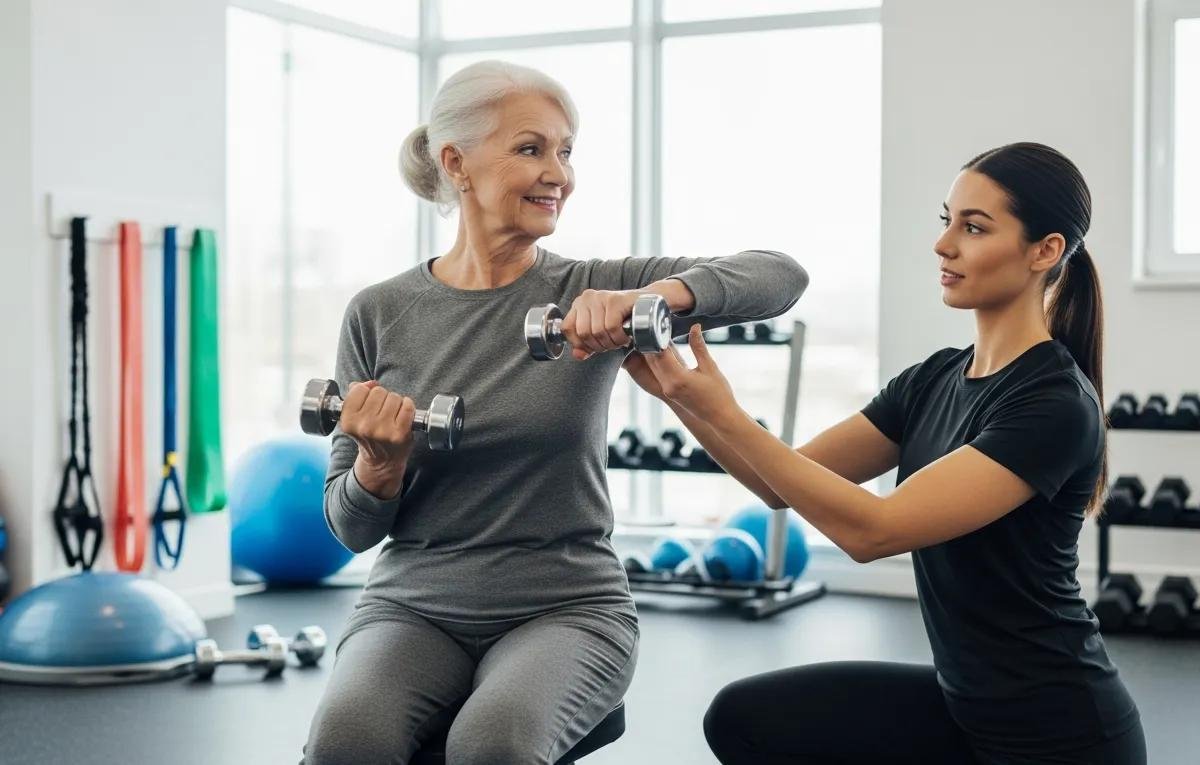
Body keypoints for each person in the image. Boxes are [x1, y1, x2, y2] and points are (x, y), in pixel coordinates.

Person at [302, 60, 808, 764]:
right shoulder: (378, 313)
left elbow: (780, 275)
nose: (559, 174)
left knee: (493, 745)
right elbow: (351, 528)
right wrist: (379, 467)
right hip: (411, 605)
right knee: (345, 744)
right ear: (457, 164)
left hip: (567, 606)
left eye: (566, 152)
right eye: (531, 148)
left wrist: (650, 298)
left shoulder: (587, 291)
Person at [625, 142, 1146, 764]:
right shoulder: (932, 380)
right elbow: (778, 485)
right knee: (746, 719)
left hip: (1058, 736)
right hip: (965, 711)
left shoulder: (1053, 404)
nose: (943, 243)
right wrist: (680, 395)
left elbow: (872, 531)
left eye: (974, 228)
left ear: (1045, 251)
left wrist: (722, 411)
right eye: (946, 219)